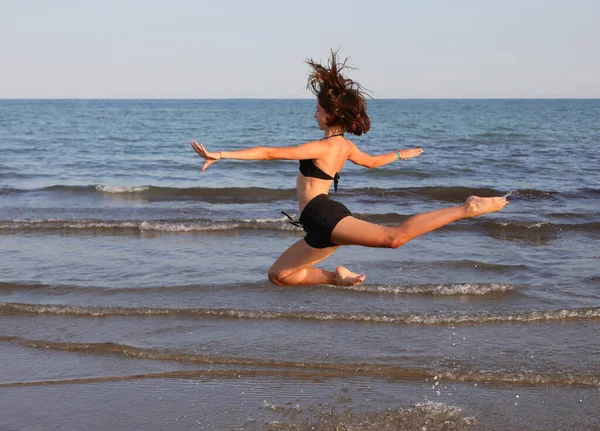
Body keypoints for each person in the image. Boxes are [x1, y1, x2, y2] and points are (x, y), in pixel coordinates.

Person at [190, 51, 508, 287]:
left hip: (322, 214)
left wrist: (221, 154)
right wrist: (400, 154)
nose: (314, 115)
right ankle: (335, 277)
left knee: (393, 238)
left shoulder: (325, 146)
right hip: (317, 222)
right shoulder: (346, 147)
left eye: (318, 110)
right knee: (279, 275)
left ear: (331, 116)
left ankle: (467, 208)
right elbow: (372, 162)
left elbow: (269, 153)